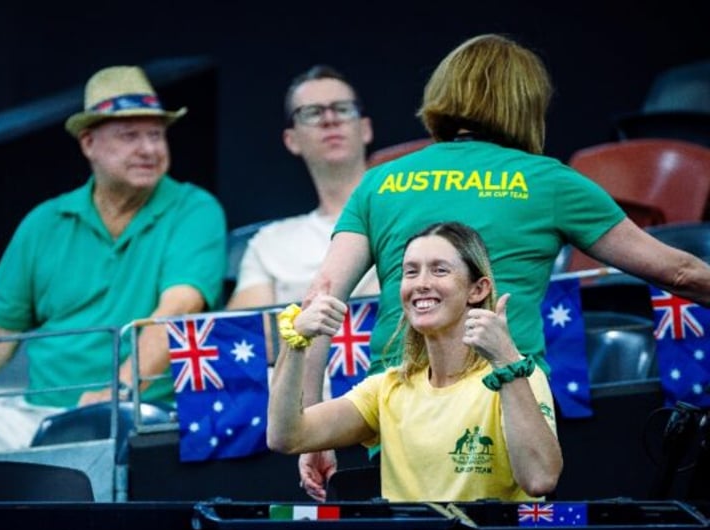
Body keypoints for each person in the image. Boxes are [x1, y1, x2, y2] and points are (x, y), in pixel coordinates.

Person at [295, 33, 710, 501]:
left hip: (402, 400)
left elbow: (321, 299)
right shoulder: (548, 181)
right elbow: (677, 273)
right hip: (503, 397)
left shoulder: (380, 182)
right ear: (526, 104)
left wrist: (315, 420)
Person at [0, 65, 227, 467]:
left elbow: (177, 311)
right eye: (130, 136)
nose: (149, 149)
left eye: (156, 134)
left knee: (107, 439)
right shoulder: (45, 221)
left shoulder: (193, 209)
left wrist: (118, 389)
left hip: (145, 414)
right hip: (35, 415)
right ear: (89, 143)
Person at [268, 221, 562, 501]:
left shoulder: (517, 374)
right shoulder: (388, 387)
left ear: (478, 289)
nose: (421, 283)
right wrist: (295, 340)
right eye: (410, 272)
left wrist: (507, 363)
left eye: (439, 270)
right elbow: (287, 436)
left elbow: (540, 480)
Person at [226, 64, 379, 310]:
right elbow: (243, 332)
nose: (330, 120)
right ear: (292, 140)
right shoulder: (269, 243)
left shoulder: (411, 213)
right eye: (312, 113)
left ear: (365, 129)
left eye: (342, 109)